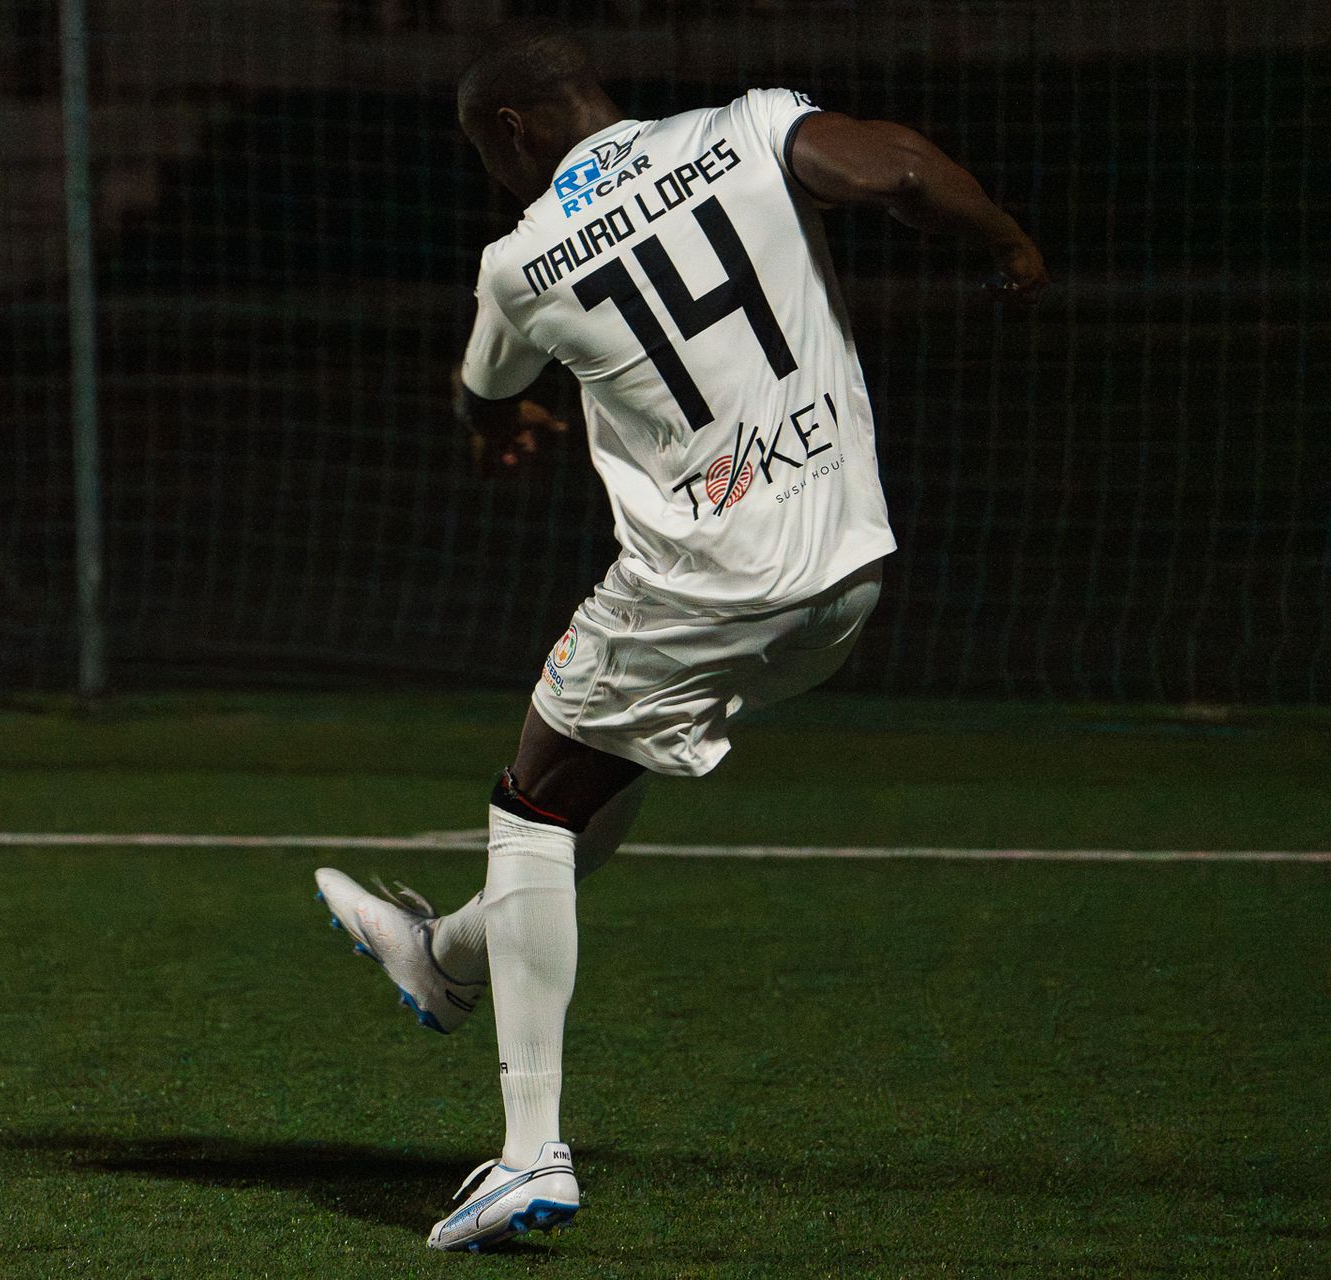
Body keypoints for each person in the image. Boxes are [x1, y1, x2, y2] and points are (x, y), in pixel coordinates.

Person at [315, 21, 1048, 1253]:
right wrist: (1009, 242)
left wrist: (485, 428)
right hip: (846, 579)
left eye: (481, 152)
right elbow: (907, 174)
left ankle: (528, 1152)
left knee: (534, 804)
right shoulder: (748, 127)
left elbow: (483, 388)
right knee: (600, 785)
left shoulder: (521, 259)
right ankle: (441, 955)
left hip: (704, 586)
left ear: (512, 132)